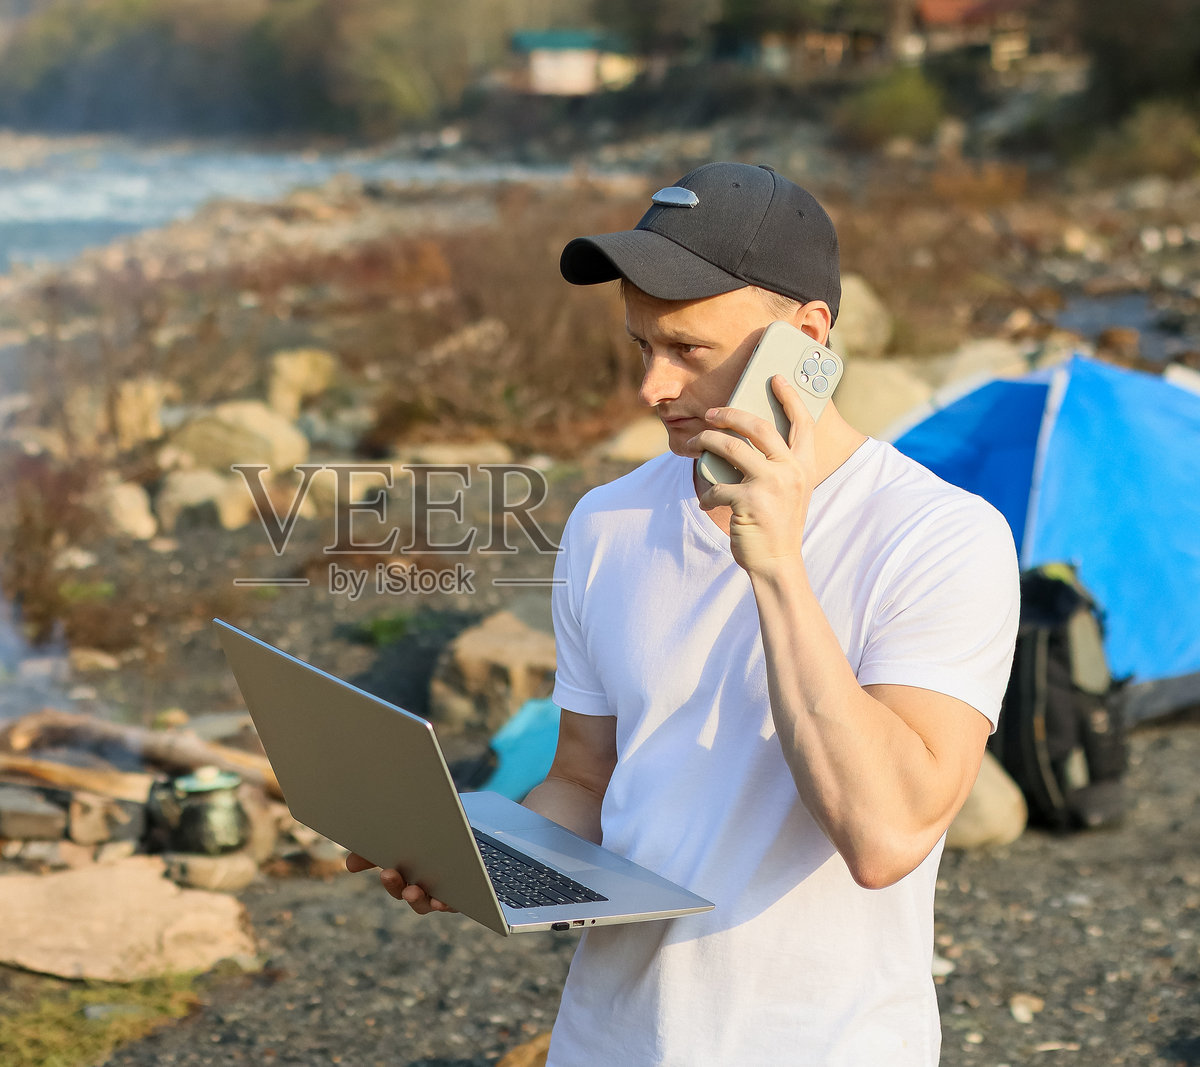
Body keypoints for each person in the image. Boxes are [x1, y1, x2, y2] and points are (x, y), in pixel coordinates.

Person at [347, 161, 1021, 1064]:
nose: (652, 389)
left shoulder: (940, 537)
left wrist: (777, 566)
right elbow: (586, 779)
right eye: (641, 346)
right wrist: (476, 853)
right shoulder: (608, 521)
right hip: (606, 1039)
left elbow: (886, 834)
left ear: (807, 338)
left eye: (690, 351)